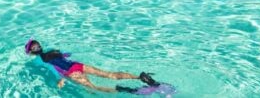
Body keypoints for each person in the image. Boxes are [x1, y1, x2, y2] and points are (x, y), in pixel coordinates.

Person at [25, 39, 160, 94]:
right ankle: (140, 77)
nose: (37, 48)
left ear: (32, 52)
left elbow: (54, 68)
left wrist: (62, 79)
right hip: (77, 65)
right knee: (109, 74)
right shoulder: (52, 51)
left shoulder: (41, 59)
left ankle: (131, 91)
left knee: (94, 89)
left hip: (70, 72)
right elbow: (65, 55)